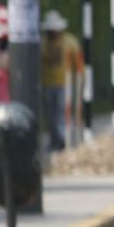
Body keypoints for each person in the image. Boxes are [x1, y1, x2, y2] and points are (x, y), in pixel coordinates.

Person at [39, 11, 84, 151]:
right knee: (50, 115)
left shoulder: (70, 41)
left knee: (62, 113)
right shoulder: (42, 43)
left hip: (66, 83)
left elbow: (79, 63)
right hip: (47, 83)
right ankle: (54, 140)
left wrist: (81, 81)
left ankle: (64, 140)